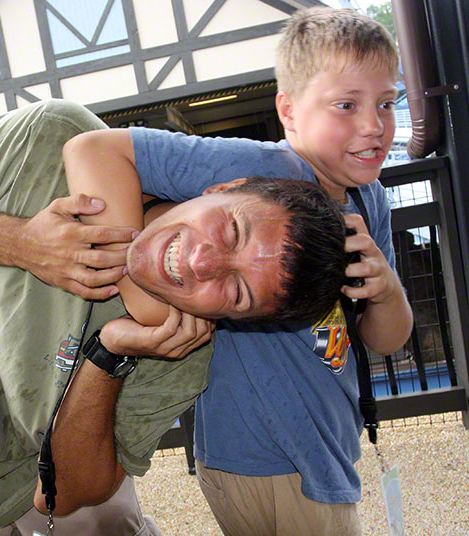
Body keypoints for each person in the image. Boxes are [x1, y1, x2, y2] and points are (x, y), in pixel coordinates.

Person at [0, 98, 348, 535]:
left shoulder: (181, 349)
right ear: (222, 188)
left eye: (236, 291)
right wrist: (22, 243)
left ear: (234, 319)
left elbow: (60, 497)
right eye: (231, 230)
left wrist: (109, 353)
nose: (204, 263)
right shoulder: (50, 137)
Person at [51, 7, 413, 535]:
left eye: (386, 103)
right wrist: (138, 281)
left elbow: (383, 341)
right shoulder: (262, 172)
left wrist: (385, 291)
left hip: (326, 445)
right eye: (345, 105)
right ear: (288, 111)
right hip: (260, 450)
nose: (373, 126)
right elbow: (95, 147)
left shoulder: (369, 201)